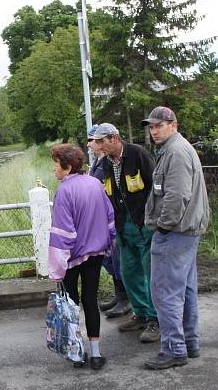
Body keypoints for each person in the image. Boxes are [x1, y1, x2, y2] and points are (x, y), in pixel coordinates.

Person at [141, 106, 210, 369]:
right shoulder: (173, 149)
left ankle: (174, 349)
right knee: (185, 290)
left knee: (165, 292)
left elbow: (176, 195)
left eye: (159, 125)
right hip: (184, 231)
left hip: (175, 232)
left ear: (173, 125)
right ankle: (189, 344)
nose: (154, 130)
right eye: (151, 126)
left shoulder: (176, 152)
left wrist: (163, 226)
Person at [48, 143, 116, 370]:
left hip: (71, 258)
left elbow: (62, 235)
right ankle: (96, 354)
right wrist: (111, 242)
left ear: (67, 167)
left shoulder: (64, 192)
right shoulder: (95, 184)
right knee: (90, 300)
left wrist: (56, 270)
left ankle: (77, 353)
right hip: (96, 252)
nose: (54, 169)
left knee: (71, 304)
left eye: (56, 165)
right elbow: (109, 216)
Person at [92, 123, 159, 343]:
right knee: (129, 272)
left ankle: (154, 319)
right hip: (122, 227)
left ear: (114, 138)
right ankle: (139, 313)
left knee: (150, 274)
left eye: (101, 141)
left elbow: (154, 187)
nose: (97, 145)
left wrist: (153, 220)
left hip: (144, 225)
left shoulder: (137, 154)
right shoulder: (107, 164)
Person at [87, 124, 132, 318]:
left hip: (114, 217)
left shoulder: (109, 161)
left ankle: (126, 298)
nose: (90, 144)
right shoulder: (99, 162)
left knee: (118, 258)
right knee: (111, 258)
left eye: (95, 141)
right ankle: (120, 295)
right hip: (105, 217)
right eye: (91, 140)